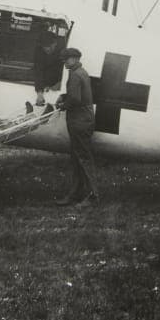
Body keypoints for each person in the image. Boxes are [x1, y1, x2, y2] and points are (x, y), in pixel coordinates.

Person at [54, 47, 98, 206]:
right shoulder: (82, 72)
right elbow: (78, 94)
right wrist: (64, 96)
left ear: (75, 59)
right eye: (63, 59)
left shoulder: (75, 75)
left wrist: (63, 105)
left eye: (67, 59)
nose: (64, 62)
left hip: (79, 122)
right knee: (78, 159)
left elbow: (75, 99)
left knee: (83, 159)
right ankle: (76, 193)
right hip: (84, 120)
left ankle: (93, 196)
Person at [31, 25, 63, 107]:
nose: (47, 49)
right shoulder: (39, 52)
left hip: (56, 84)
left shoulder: (62, 52)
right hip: (45, 84)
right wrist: (39, 93)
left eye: (49, 46)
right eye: (44, 47)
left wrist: (60, 82)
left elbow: (65, 71)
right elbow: (38, 71)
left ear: (55, 43)